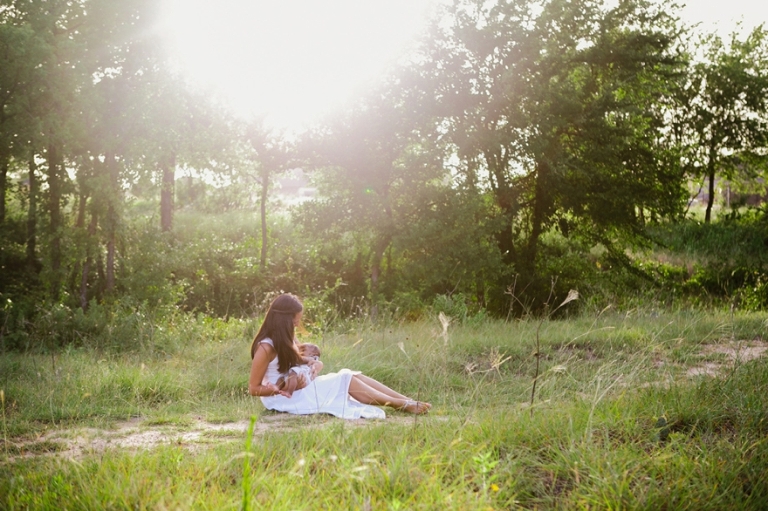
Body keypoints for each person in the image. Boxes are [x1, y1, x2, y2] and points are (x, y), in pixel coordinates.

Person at [248, 293, 430, 419]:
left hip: (300, 388)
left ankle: (406, 399)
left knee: (353, 375)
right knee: (345, 378)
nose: (297, 325)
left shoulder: (285, 336)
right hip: (284, 398)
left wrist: (315, 364)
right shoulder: (265, 347)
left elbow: (301, 358)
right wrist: (280, 388)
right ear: (284, 320)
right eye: (295, 321)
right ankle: (399, 404)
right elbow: (253, 388)